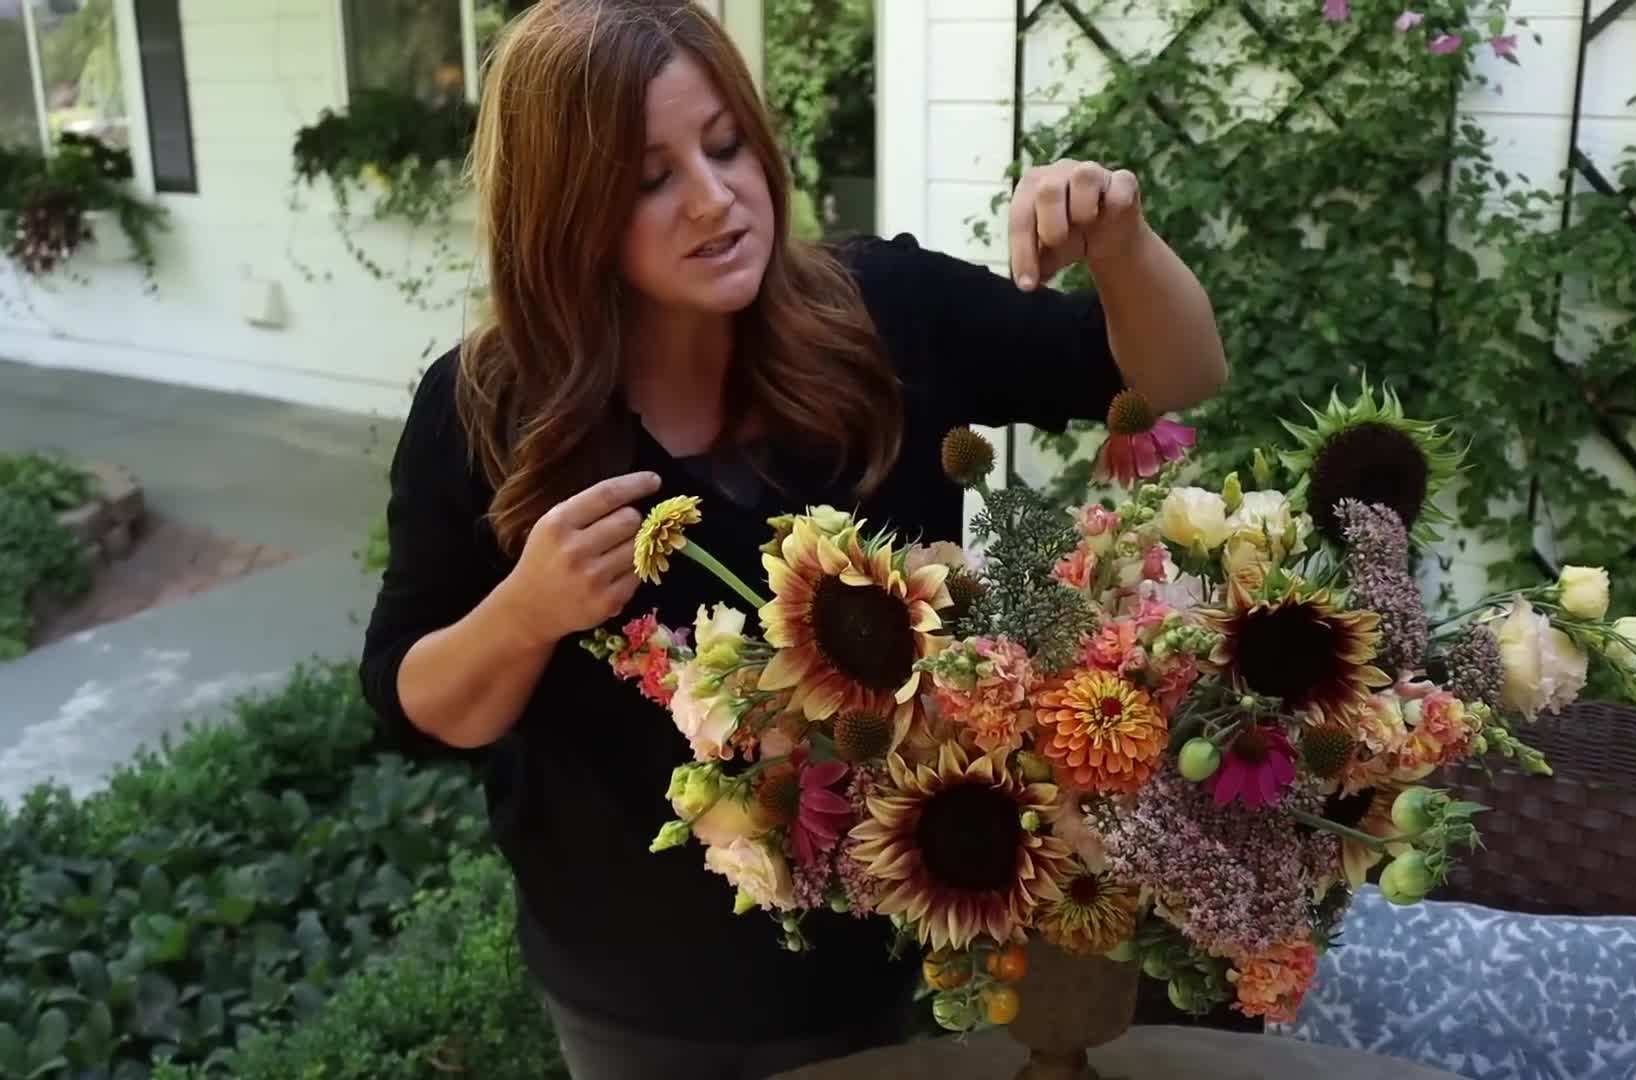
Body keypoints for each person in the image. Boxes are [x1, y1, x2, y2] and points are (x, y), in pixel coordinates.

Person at [358, 2, 1228, 1077]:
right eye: (650, 179)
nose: (713, 198)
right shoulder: (489, 410)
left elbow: (1176, 375)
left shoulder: (882, 314)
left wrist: (1121, 243)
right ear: (563, 210)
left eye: (726, 146)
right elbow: (414, 704)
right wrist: (526, 614)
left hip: (908, 944)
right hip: (641, 994)